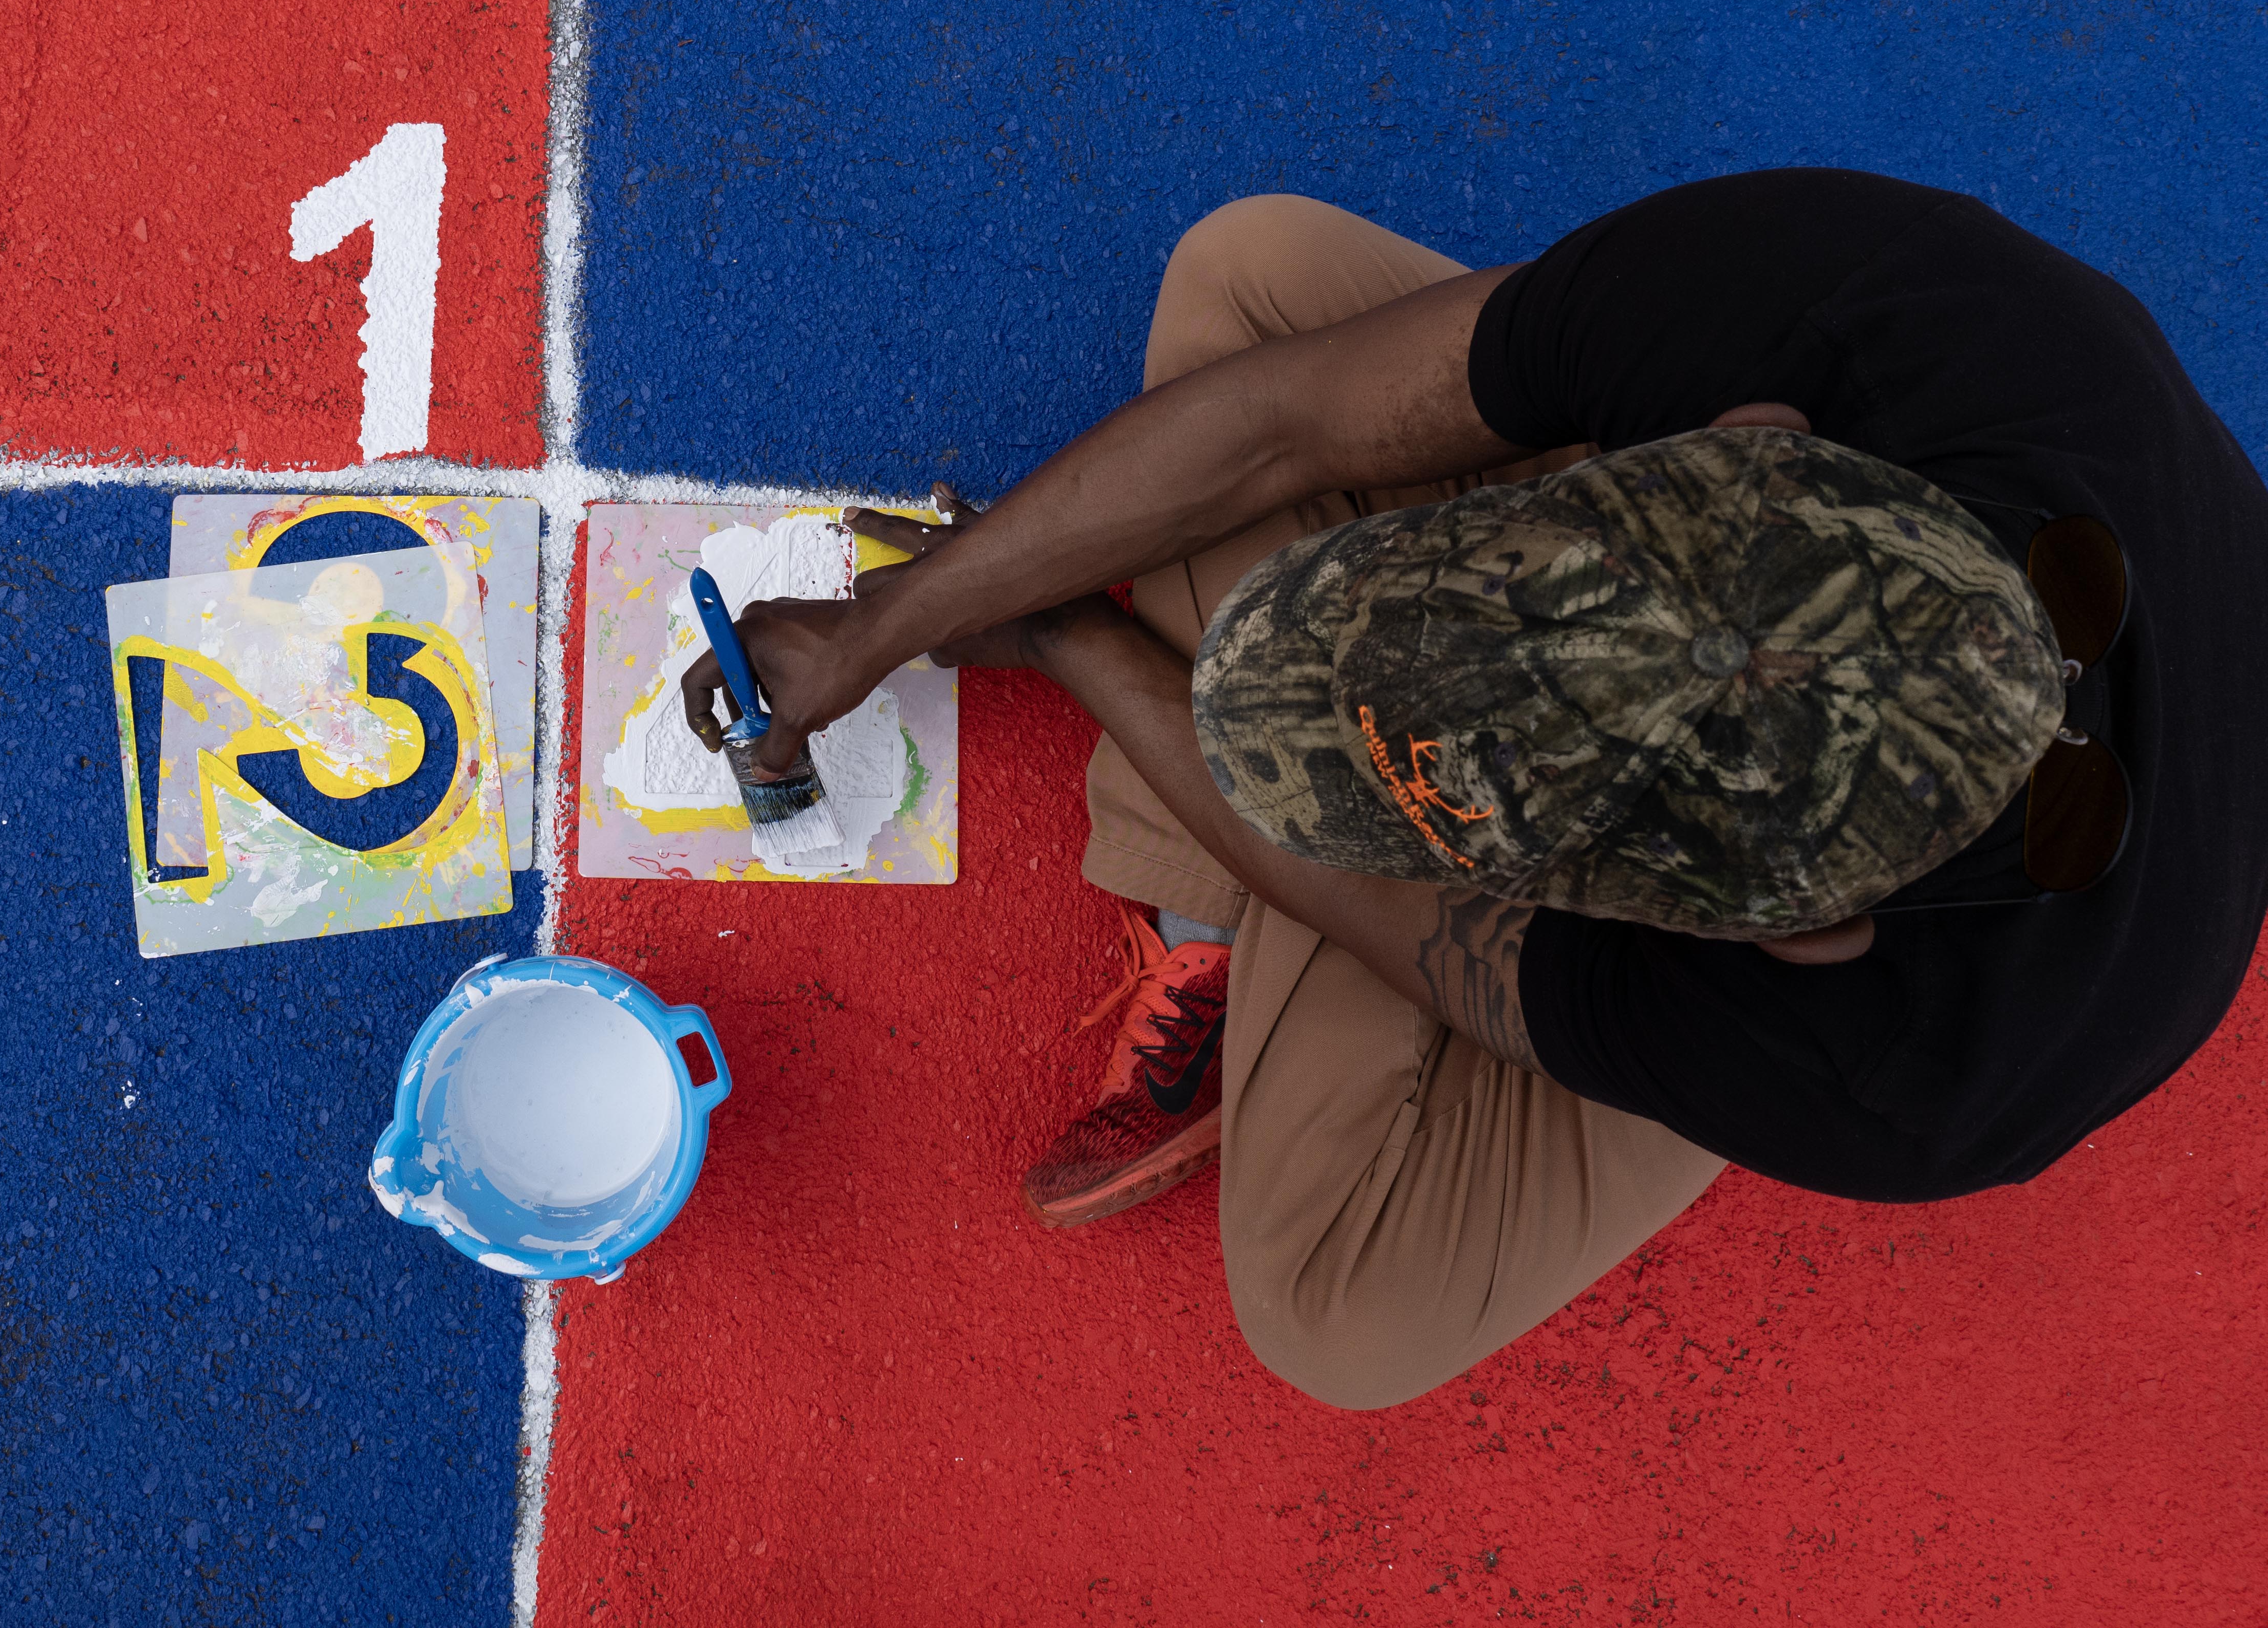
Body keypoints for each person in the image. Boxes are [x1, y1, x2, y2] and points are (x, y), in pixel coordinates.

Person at [682, 169, 2268, 1410]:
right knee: (1248, 276)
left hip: (1713, 992)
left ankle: (1218, 847)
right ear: (1747, 434)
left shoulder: (1914, 1078)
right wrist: (897, 617)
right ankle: (1224, 821)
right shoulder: (1887, 304)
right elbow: (1284, 418)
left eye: (1445, 795)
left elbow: (1445, 946)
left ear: (1791, 935)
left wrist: (1063, 636)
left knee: (1337, 1312)